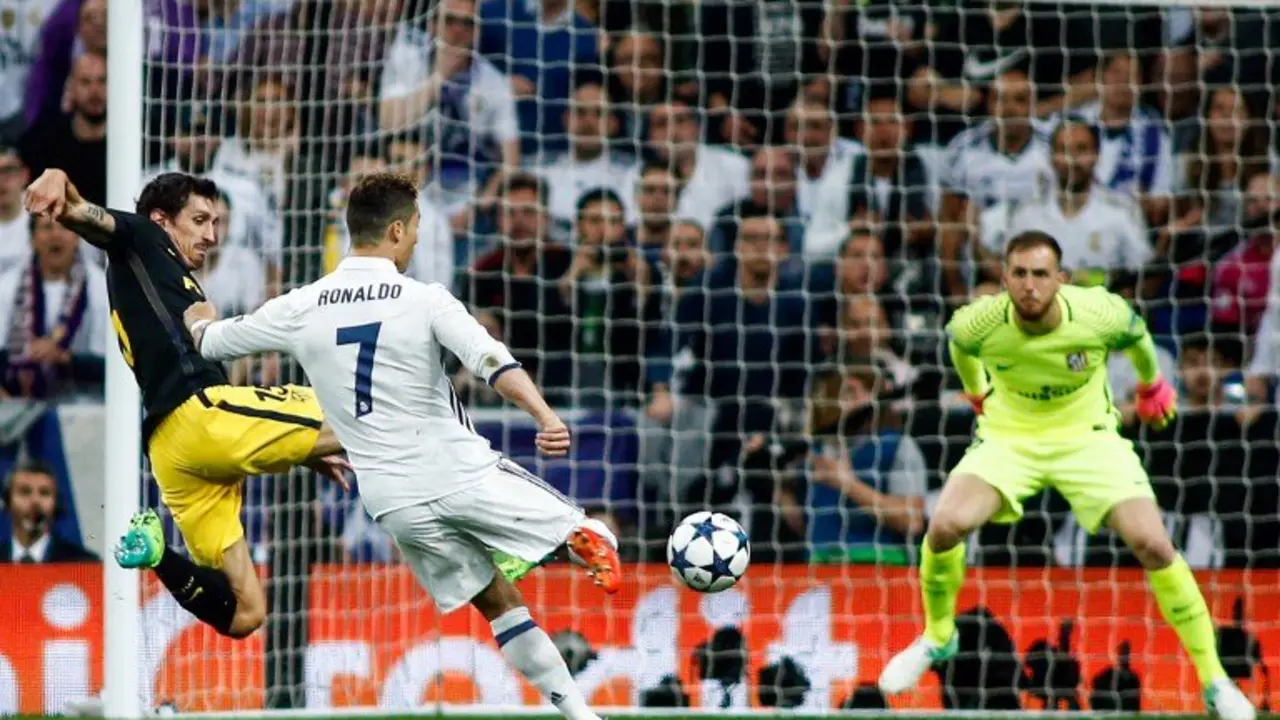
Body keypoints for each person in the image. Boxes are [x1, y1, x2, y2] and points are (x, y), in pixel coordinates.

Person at [183, 172, 621, 720]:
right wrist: (544, 414)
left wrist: (194, 315)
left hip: (394, 503)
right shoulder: (425, 299)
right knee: (593, 530)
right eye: (414, 227)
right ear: (395, 230)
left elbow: (214, 340)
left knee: (496, 602)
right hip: (457, 470)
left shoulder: (303, 304)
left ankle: (580, 715)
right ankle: (573, 538)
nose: (416, 238)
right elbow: (491, 361)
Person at [877, 231, 1255, 720]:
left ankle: (1215, 681)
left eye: (1040, 274)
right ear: (1006, 278)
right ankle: (938, 637)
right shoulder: (979, 322)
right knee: (945, 526)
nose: (1029, 286)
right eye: (1019, 274)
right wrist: (977, 394)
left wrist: (1152, 387)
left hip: (1089, 440)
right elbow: (960, 347)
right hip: (1009, 440)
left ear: (1061, 278)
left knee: (1155, 545)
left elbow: (1138, 336)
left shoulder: (1098, 312)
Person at [21, 169, 350, 640]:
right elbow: (84, 215)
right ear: (161, 219)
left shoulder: (160, 275)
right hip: (201, 415)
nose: (211, 236)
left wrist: (301, 445)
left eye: (215, 223)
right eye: (199, 220)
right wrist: (57, 178)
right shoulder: (144, 238)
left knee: (245, 613)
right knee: (366, 414)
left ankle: (156, 552)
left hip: (173, 454)